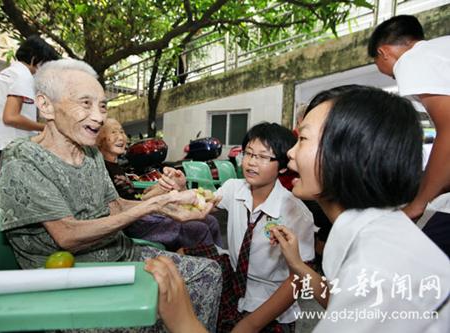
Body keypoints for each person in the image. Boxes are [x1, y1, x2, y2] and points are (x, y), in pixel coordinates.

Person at [145, 85, 450, 333]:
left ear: (346, 156)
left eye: (302, 138)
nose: (290, 153)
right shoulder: (379, 240)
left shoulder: (373, 269)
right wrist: (300, 266)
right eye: (250, 154)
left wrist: (183, 320)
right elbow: (338, 298)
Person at [0, 59, 222, 332]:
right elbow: (67, 236)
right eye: (85, 103)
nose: (99, 116)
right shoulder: (23, 158)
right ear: (46, 106)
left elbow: (114, 206)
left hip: (119, 258)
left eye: (102, 105)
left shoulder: (89, 152)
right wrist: (157, 204)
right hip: (69, 282)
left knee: (208, 273)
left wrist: (168, 207)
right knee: (150, 317)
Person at [159, 122, 315, 332]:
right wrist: (182, 188)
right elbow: (203, 203)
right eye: (249, 153)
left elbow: (298, 280)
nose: (252, 162)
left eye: (263, 157)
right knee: (178, 257)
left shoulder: (297, 213)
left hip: (270, 295)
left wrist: (249, 325)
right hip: (234, 273)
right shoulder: (235, 188)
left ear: (284, 166)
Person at [368, 15, 450, 223]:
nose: (395, 76)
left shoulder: (411, 60)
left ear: (383, 52)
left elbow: (448, 129)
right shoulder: (440, 50)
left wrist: (418, 204)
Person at [96, 118, 224, 251]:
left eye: (122, 132)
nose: (121, 137)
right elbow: (119, 207)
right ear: (98, 140)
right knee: (199, 229)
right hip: (133, 222)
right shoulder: (100, 168)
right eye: (113, 132)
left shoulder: (117, 166)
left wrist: (160, 187)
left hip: (144, 211)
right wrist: (158, 194)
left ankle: (221, 262)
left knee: (211, 221)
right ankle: (207, 265)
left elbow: (133, 196)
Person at [0, 35, 59, 183]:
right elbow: (11, 117)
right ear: (35, 58)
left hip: (5, 147)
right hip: (11, 150)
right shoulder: (22, 75)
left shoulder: (12, 73)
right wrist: (46, 128)